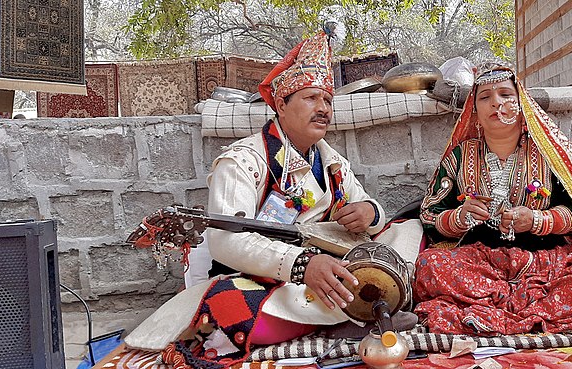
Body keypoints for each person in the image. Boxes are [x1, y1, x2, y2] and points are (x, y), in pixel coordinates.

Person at [154, 30, 403, 368]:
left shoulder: (332, 163)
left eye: (327, 101)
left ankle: (352, 314)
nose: (323, 109)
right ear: (281, 105)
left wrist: (368, 213)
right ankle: (363, 316)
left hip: (330, 269)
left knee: (408, 232)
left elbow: (375, 210)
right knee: (225, 307)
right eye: (311, 98)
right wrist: (302, 265)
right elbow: (226, 243)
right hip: (263, 277)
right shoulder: (244, 161)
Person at [414, 64, 572, 336]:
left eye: (505, 95)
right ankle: (539, 311)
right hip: (481, 265)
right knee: (430, 267)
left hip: (549, 264)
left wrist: (538, 220)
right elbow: (429, 215)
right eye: (485, 97)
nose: (496, 103)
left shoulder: (549, 153)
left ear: (521, 104)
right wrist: (459, 217)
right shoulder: (460, 156)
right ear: (474, 112)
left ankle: (499, 311)